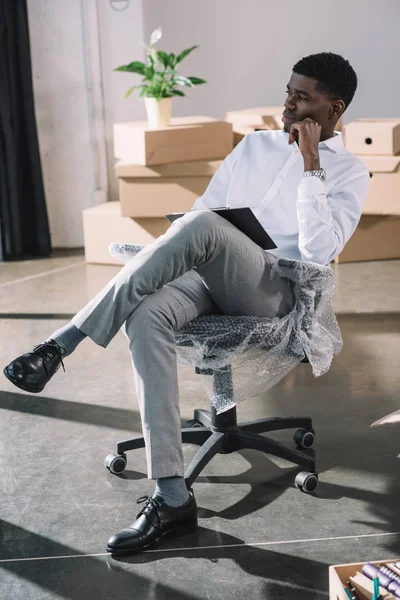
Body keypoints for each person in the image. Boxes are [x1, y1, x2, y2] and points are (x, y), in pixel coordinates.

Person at [3, 52, 370, 555]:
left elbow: (319, 253)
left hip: (275, 290)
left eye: (302, 96)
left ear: (334, 108)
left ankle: (62, 343)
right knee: (148, 312)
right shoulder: (254, 148)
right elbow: (201, 215)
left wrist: (311, 166)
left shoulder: (350, 172)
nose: (288, 103)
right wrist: (188, 244)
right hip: (208, 273)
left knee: (201, 227)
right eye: (288, 90)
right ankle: (172, 497)